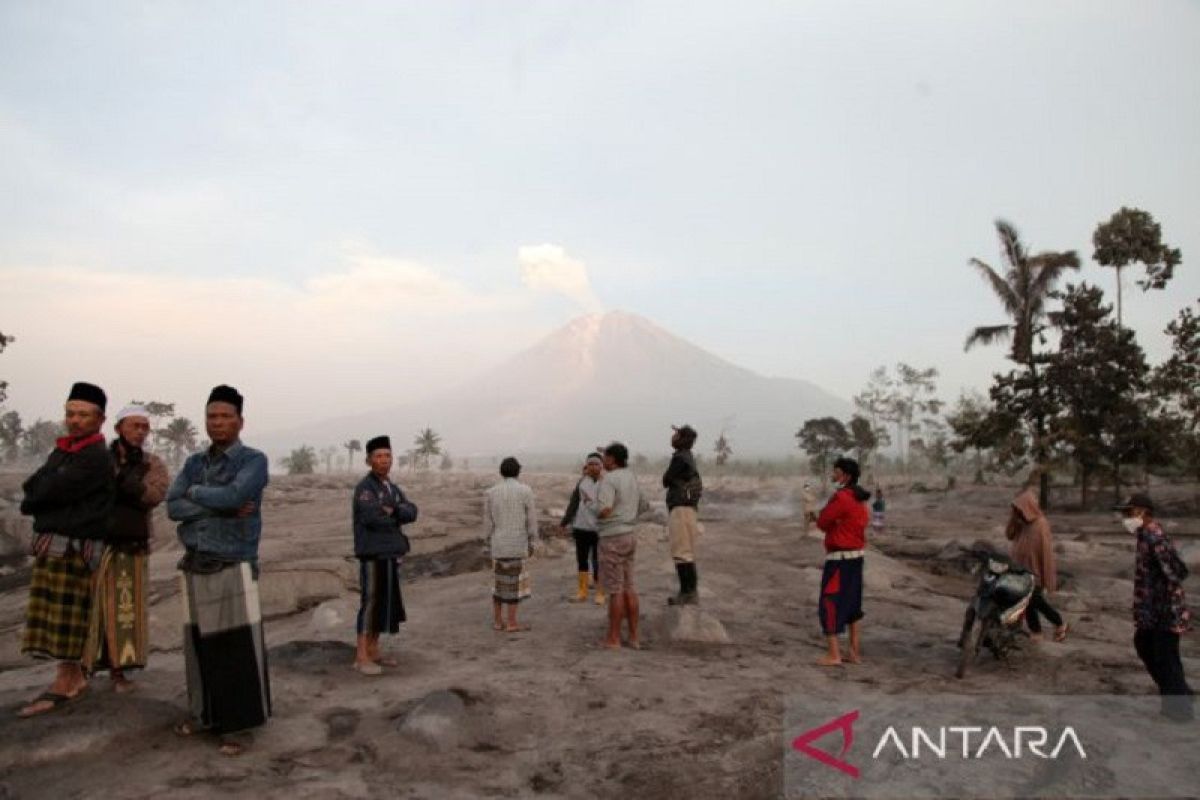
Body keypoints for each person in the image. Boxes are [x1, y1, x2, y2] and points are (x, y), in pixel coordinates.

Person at [167, 385, 270, 756]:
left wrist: (197, 495)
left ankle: (238, 727)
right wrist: (216, 505)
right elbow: (172, 507)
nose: (218, 422)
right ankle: (203, 714)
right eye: (212, 416)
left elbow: (234, 496)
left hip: (232, 561)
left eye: (226, 416)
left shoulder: (253, 461)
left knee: (235, 648)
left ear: (240, 421)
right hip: (195, 561)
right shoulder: (195, 463)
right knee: (199, 648)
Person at [17, 382, 115, 717]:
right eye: (70, 413)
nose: (75, 420)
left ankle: (67, 680)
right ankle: (71, 677)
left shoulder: (95, 456)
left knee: (68, 618)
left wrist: (44, 501)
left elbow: (49, 491)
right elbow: (33, 489)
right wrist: (44, 499)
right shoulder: (64, 451)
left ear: (99, 419)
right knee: (57, 616)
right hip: (58, 545)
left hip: (75, 549)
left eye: (83, 415)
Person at [82, 404, 169, 692]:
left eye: (145, 427)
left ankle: (119, 672)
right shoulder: (99, 460)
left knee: (125, 611)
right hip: (97, 545)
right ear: (119, 428)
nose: (141, 432)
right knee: (93, 610)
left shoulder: (152, 463)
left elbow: (155, 494)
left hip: (132, 546)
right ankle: (84, 670)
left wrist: (125, 486)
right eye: (135, 425)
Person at [1117, 493, 1193, 721]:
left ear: (1142, 512)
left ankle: (1179, 710)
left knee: (1165, 657)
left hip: (1164, 610)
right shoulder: (1144, 535)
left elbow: (1178, 571)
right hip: (1151, 611)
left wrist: (1163, 599)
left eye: (1128, 512)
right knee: (1145, 646)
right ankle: (1180, 693)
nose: (1125, 517)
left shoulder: (1154, 537)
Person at [352, 435, 417, 675]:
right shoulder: (365, 488)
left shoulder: (391, 487)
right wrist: (394, 513)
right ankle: (360, 656)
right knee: (370, 603)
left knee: (385, 603)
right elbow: (371, 517)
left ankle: (374, 649)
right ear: (369, 460)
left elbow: (412, 511)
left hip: (390, 551)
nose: (383, 460)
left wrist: (394, 510)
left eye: (387, 456)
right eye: (378, 456)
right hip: (372, 553)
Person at [815, 457, 870, 666]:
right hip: (856, 559)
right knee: (853, 605)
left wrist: (833, 524)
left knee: (829, 603)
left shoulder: (842, 497)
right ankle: (854, 653)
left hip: (839, 560)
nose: (833, 474)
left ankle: (834, 654)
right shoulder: (858, 498)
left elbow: (822, 521)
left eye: (836, 471)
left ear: (845, 475)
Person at [484, 457, 540, 632]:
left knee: (498, 585)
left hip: (498, 544)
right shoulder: (526, 491)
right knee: (514, 584)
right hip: (517, 544)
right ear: (518, 472)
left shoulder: (491, 493)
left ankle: (498, 621)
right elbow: (531, 520)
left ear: (501, 472)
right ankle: (512, 622)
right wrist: (533, 541)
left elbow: (487, 523)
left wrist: (487, 543)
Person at [1005, 489, 1068, 643]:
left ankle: (1059, 623)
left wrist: (1046, 576)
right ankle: (1037, 632)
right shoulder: (1022, 522)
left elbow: (1045, 552)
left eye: (1020, 509)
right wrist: (1013, 519)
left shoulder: (1040, 524)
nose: (1019, 512)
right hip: (1019, 569)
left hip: (1035, 571)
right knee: (1028, 603)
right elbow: (1009, 535)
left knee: (1033, 600)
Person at [597, 442, 642, 649]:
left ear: (612, 459)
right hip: (630, 534)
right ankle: (634, 637)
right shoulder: (631, 476)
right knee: (629, 587)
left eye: (604, 457)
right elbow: (644, 504)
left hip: (612, 537)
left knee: (615, 590)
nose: (602, 461)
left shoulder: (609, 480)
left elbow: (605, 509)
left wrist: (593, 510)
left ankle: (613, 638)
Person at [662, 424, 702, 605]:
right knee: (686, 552)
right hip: (687, 510)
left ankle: (688, 593)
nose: (673, 437)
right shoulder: (688, 457)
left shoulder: (680, 458)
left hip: (681, 509)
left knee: (682, 553)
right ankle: (689, 592)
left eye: (676, 434)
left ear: (682, 438)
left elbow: (666, 479)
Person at [560, 453, 604, 604]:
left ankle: (600, 592)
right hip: (580, 527)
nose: (592, 466)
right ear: (586, 466)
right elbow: (573, 503)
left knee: (598, 561)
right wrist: (564, 522)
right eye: (590, 464)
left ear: (601, 466)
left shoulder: (606, 483)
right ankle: (582, 591)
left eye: (596, 464)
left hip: (599, 529)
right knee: (582, 560)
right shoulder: (581, 482)